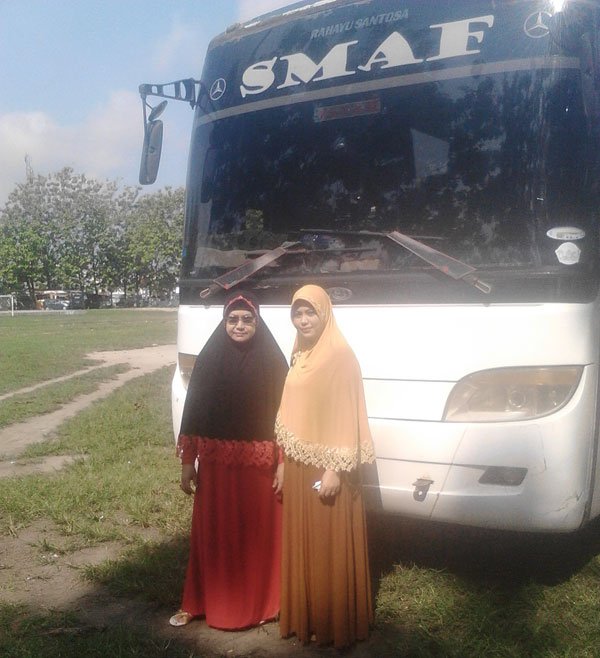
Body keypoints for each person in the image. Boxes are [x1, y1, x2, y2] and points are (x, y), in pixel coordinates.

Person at [170, 291, 288, 630]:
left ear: (257, 322)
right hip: (217, 469)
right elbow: (194, 413)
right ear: (224, 323)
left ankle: (265, 604)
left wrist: (283, 462)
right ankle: (200, 602)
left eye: (247, 319)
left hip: (260, 470)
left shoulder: (273, 362)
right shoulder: (209, 359)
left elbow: (287, 417)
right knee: (214, 536)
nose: (239, 325)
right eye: (232, 319)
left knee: (258, 537)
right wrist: (187, 463)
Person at [275, 284, 375, 648]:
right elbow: (291, 411)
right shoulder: (300, 354)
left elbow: (347, 414)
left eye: (310, 313)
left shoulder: (341, 356)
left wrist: (334, 469)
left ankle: (333, 622)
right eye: (297, 313)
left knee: (326, 545)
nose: (303, 320)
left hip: (329, 468)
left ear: (325, 314)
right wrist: (283, 462)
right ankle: (306, 618)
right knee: (304, 543)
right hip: (299, 463)